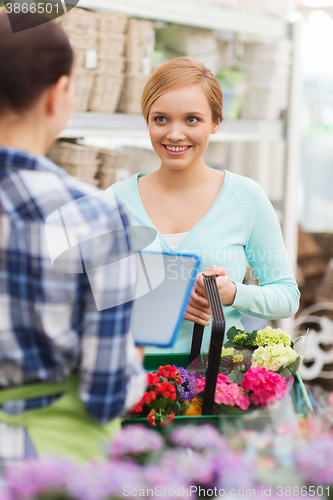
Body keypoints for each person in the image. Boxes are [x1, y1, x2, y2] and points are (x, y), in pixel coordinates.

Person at [0, 11, 146, 468]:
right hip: (47, 467)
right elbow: (106, 393)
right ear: (59, 93)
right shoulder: (94, 214)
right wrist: (134, 363)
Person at [109, 57, 300, 354]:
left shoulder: (245, 197)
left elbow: (287, 296)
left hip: (214, 385)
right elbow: (81, 299)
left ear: (216, 123)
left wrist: (233, 293)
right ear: (147, 120)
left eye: (191, 119)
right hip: (129, 383)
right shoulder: (114, 201)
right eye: (161, 119)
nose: (174, 133)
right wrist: (158, 300)